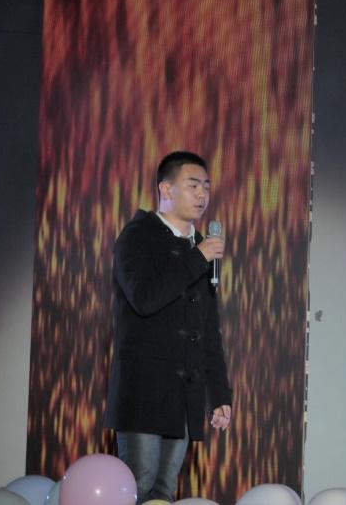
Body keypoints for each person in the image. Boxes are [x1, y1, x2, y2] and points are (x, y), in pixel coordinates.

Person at [106, 150, 233, 502]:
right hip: (143, 393)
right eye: (193, 185)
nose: (202, 194)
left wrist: (219, 394)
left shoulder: (199, 246)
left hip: (183, 395)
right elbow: (144, 298)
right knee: (138, 484)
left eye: (206, 186)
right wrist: (198, 257)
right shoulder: (138, 236)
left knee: (164, 490)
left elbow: (207, 330)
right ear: (166, 188)